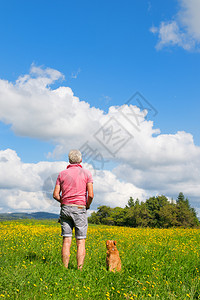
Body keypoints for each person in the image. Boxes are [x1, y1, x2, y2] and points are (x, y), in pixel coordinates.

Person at [53, 149, 94, 270]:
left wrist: (64, 202)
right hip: (80, 208)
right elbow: (91, 195)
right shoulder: (87, 173)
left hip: (65, 209)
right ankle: (79, 269)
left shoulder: (62, 174)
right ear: (80, 160)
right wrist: (87, 205)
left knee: (66, 240)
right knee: (80, 241)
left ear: (69, 160)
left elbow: (55, 194)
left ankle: (64, 269)